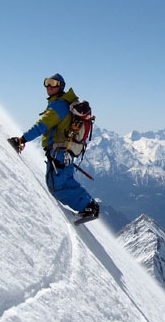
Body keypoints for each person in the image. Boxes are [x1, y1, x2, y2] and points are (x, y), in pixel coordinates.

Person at [9, 73, 100, 219]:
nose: (49, 86)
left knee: (56, 186)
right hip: (66, 152)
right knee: (66, 180)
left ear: (61, 86)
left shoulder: (58, 106)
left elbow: (41, 126)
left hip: (59, 151)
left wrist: (22, 139)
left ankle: (88, 206)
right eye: (47, 82)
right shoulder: (64, 104)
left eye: (53, 83)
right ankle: (89, 205)